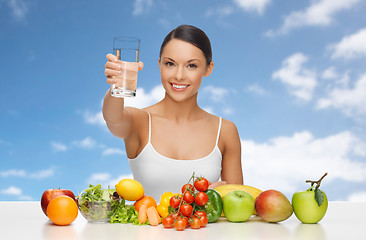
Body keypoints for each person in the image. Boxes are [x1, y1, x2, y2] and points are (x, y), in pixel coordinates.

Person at [103, 25, 243, 200]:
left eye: (191, 65)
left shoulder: (225, 130)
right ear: (159, 64)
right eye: (170, 63)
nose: (179, 75)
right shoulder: (140, 121)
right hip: (144, 227)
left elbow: (238, 203)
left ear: (208, 68)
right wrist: (116, 85)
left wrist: (213, 198)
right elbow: (113, 118)